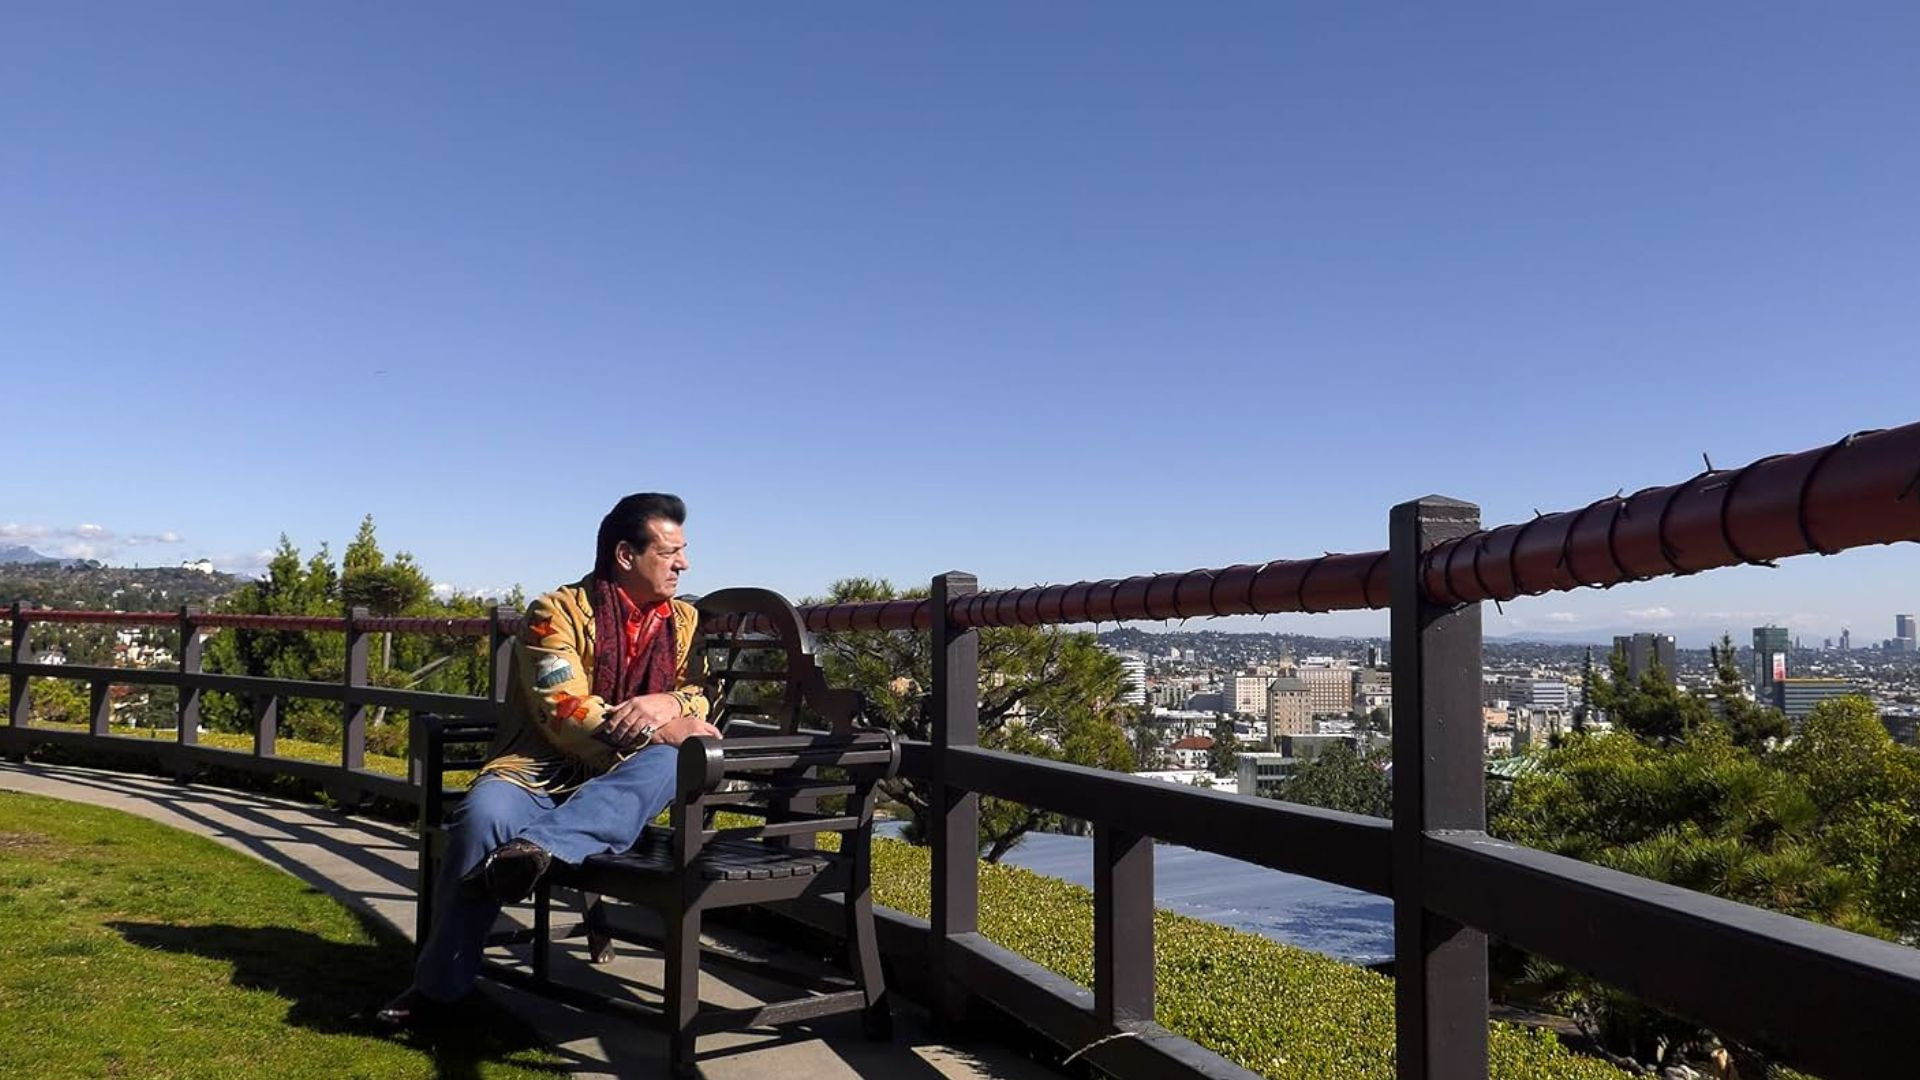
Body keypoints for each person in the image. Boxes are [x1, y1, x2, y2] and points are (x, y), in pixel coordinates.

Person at [379, 492, 721, 1025]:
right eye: (670, 552)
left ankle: (537, 849)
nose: (684, 564)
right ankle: (439, 991)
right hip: (537, 768)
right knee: (482, 820)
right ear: (625, 555)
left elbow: (702, 694)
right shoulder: (553, 613)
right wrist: (659, 727)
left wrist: (668, 704)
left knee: (671, 760)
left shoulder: (684, 621)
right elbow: (563, 707)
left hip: (624, 774)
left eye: (683, 551)